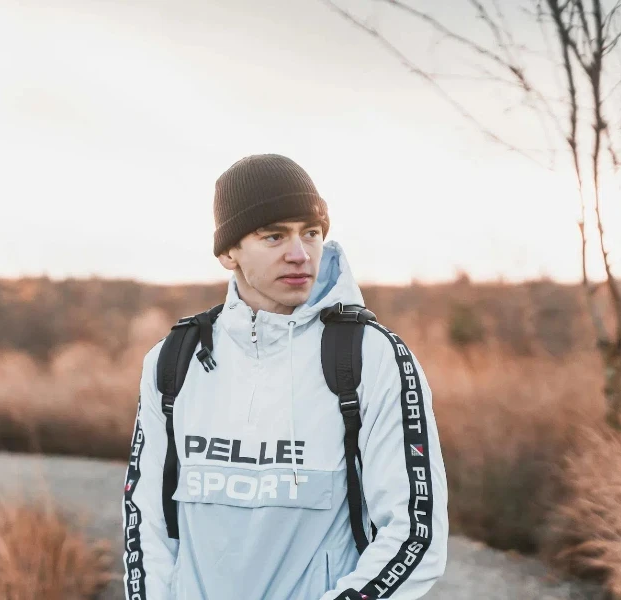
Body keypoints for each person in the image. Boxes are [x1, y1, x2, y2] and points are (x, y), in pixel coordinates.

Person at [122, 154, 448, 600]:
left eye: (310, 233)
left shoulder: (371, 357)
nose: (299, 254)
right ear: (228, 252)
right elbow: (147, 525)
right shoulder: (175, 359)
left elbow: (416, 534)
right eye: (273, 236)